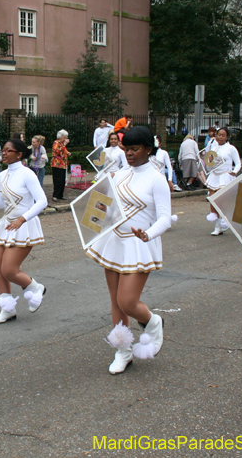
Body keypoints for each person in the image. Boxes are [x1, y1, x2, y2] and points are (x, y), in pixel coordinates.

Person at [86, 126, 171, 374]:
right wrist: (92, 219)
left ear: (148, 149)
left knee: (127, 301)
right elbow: (106, 208)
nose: (130, 153)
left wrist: (149, 234)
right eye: (126, 149)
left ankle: (153, 322)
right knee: (115, 301)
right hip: (115, 242)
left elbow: (165, 218)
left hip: (139, 245)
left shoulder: (157, 179)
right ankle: (123, 350)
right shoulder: (120, 175)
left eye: (135, 149)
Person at [0, 139, 48, 324]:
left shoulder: (27, 174)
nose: (4, 153)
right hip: (5, 224)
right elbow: (1, 203)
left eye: (8, 150)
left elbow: (42, 201)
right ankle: (7, 309)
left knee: (9, 270)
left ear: (19, 154)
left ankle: (34, 287)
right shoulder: (3, 174)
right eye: (4, 150)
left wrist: (22, 219)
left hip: (24, 226)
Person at [205, 127, 241, 235]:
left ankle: (225, 221)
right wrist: (209, 161)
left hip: (225, 176)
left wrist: (235, 171)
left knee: (222, 200)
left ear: (227, 137)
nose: (220, 137)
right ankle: (217, 226)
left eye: (223, 135)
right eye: (219, 134)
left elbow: (238, 163)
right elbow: (209, 166)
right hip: (215, 176)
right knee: (212, 199)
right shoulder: (213, 148)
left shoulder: (231, 148)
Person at [51, 130, 70, 201]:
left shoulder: (62, 144)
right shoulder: (56, 143)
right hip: (57, 164)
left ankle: (60, 195)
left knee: (62, 180)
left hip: (63, 164)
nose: (65, 139)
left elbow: (64, 150)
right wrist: (65, 144)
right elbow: (58, 151)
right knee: (57, 180)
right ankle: (55, 195)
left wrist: (67, 153)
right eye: (64, 137)